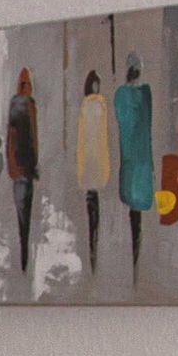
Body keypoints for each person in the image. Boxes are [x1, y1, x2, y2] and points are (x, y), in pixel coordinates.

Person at [114, 52, 155, 277]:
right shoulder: (144, 95)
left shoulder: (122, 95)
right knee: (136, 213)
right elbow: (145, 126)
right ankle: (136, 259)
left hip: (131, 161)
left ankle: (135, 259)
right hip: (140, 161)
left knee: (134, 211)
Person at [76, 69, 111, 275]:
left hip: (91, 164)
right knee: (93, 205)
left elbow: (90, 139)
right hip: (94, 163)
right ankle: (93, 247)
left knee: (92, 205)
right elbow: (99, 139)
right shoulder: (99, 105)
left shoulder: (88, 106)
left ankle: (93, 248)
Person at [6, 68, 40, 275]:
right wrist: (34, 164)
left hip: (18, 171)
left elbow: (10, 137)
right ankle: (24, 255)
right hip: (26, 169)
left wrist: (12, 166)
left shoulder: (14, 104)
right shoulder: (30, 105)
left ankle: (23, 254)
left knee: (21, 214)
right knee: (26, 213)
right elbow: (34, 138)